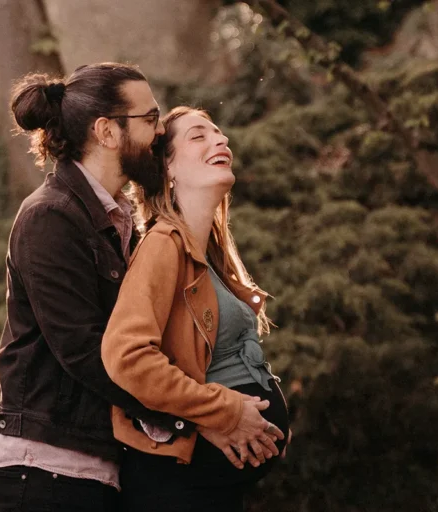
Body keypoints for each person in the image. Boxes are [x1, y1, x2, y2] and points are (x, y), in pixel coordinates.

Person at [0, 63, 199, 512]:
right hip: (49, 470)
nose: (160, 132)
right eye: (150, 118)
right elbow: (86, 349)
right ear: (106, 131)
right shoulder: (50, 216)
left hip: (95, 466)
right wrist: (194, 416)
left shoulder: (119, 219)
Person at [101, 107, 290, 512]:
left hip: (210, 489)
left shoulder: (209, 255)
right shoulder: (162, 245)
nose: (221, 141)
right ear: (167, 167)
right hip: (174, 486)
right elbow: (127, 357)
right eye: (198, 136)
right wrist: (221, 411)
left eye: (220, 134)